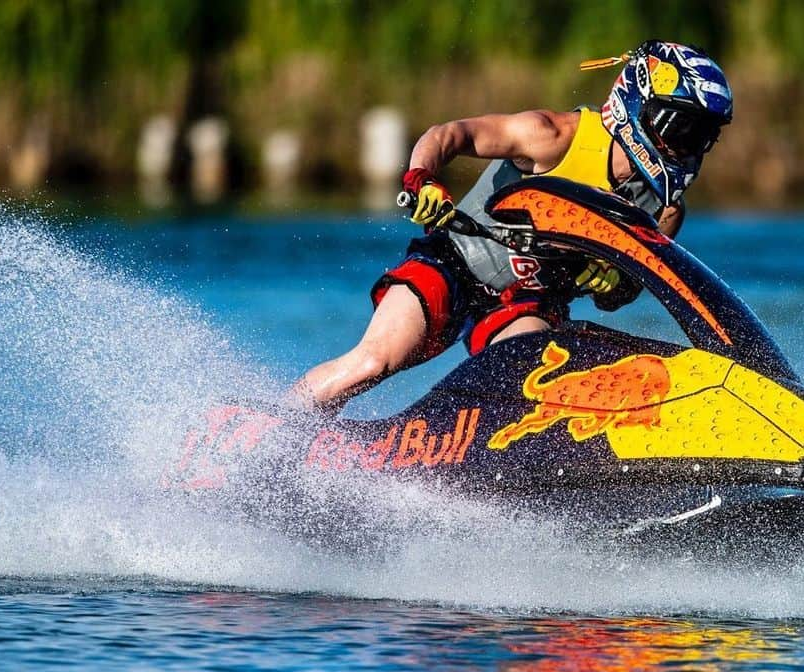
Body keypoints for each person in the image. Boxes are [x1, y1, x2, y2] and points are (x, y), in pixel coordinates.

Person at [293, 40, 733, 410]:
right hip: (455, 265)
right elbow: (449, 135)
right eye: (681, 129)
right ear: (638, 102)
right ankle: (273, 430)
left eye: (702, 137)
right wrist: (422, 180)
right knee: (374, 362)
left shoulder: (666, 210)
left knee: (530, 392)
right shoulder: (550, 136)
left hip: (527, 303)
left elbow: (617, 299)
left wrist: (611, 283)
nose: (687, 150)